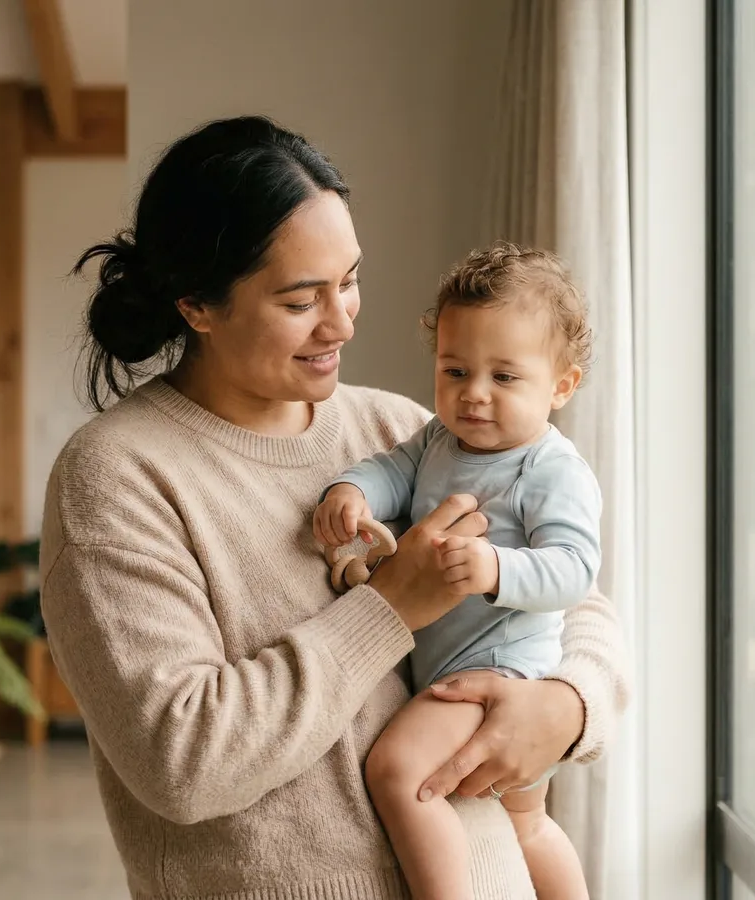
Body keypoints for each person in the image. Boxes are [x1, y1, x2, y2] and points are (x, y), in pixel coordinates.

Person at [40, 115, 628, 900]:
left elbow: (578, 599)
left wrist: (567, 705)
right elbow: (182, 762)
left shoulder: (397, 428)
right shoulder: (117, 480)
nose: (343, 319)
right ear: (198, 307)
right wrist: (387, 610)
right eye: (301, 299)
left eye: (348, 280)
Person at [315, 243, 600, 900]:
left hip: (502, 677)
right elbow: (391, 469)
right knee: (527, 826)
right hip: (456, 669)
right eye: (454, 370)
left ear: (561, 386)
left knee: (396, 771)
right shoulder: (439, 440)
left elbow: (575, 571)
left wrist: (495, 567)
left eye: (504, 378)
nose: (473, 395)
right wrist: (350, 491)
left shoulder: (552, 471)